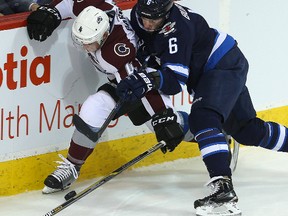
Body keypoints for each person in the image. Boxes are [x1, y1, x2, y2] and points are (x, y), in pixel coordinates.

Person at [115, 0, 288, 216]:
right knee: (247, 130)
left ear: (167, 14)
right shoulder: (139, 16)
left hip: (221, 65)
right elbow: (148, 54)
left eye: (154, 18)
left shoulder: (178, 29)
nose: (148, 23)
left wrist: (149, 78)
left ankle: (222, 187)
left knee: (203, 118)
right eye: (144, 16)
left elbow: (174, 82)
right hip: (212, 71)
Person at [26, 0, 192, 194]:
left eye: (89, 43)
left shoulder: (118, 53)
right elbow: (72, 2)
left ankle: (210, 132)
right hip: (122, 81)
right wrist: (52, 12)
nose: (85, 47)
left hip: (145, 83)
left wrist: (162, 114)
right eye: (80, 42)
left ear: (104, 35)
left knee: (169, 126)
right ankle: (71, 168)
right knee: (92, 109)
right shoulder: (95, 7)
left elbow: (137, 84)